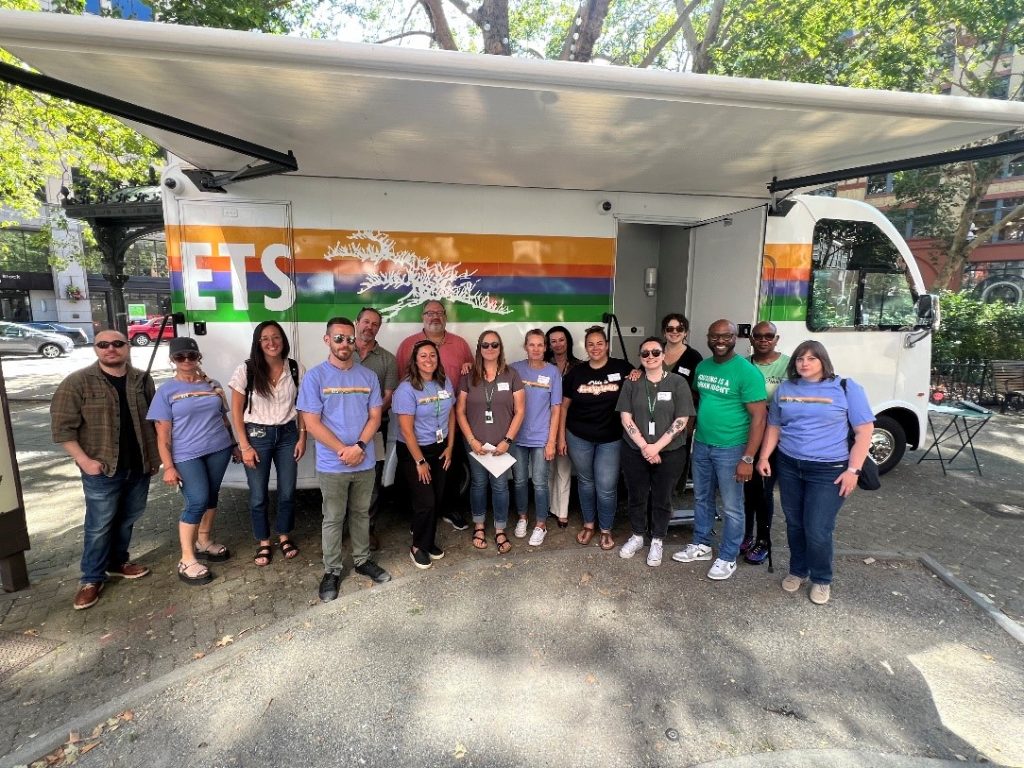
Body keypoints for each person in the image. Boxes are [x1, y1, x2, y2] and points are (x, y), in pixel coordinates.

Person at [757, 340, 874, 605]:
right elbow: (774, 426)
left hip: (829, 470)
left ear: (823, 361)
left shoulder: (845, 387)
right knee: (795, 523)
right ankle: (798, 570)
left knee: (818, 527)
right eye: (800, 359)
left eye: (811, 358)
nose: (804, 363)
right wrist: (764, 457)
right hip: (789, 465)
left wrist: (853, 470)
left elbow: (864, 431)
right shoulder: (786, 388)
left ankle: (821, 578)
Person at [51, 330, 159, 610]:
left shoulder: (142, 380)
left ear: (127, 347)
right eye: (103, 344)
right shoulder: (77, 382)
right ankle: (90, 579)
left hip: (138, 466)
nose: (111, 349)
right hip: (102, 469)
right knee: (99, 525)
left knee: (128, 517)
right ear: (95, 348)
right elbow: (62, 429)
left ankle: (117, 563)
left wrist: (156, 458)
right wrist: (84, 461)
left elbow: (154, 420)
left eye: (117, 344)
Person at [298, 317, 392, 601]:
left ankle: (363, 561)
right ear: (327, 340)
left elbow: (375, 416)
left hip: (364, 460)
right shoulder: (315, 377)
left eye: (349, 339)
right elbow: (311, 423)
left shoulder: (367, 377)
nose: (345, 344)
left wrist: (359, 446)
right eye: (338, 338)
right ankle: (333, 570)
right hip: (333, 463)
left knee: (361, 514)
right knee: (333, 518)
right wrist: (344, 449)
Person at [672, 320, 766, 581]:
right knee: (701, 498)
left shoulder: (747, 372)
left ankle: (727, 555)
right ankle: (701, 544)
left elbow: (759, 418)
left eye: (726, 336)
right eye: (715, 336)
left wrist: (748, 457)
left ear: (735, 338)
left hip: (732, 448)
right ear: (708, 337)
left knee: (733, 506)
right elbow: (697, 401)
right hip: (702, 444)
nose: (720, 340)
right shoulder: (702, 367)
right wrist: (688, 433)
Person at [148, 337, 241, 586]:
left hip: (219, 449)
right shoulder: (166, 392)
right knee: (196, 500)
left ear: (198, 357)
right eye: (180, 357)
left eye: (191, 355)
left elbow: (223, 419)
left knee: (211, 496)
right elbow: (162, 436)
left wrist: (233, 445)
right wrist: (168, 466)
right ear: (172, 360)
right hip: (187, 455)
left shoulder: (213, 384)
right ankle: (187, 559)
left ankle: (204, 541)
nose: (186, 360)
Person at [228, 321, 306, 568]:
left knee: (287, 491)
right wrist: (244, 446)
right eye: (265, 339)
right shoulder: (247, 370)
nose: (271, 343)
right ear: (258, 343)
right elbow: (236, 411)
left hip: (287, 436)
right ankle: (263, 541)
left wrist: (302, 436)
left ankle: (284, 536)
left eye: (276, 337)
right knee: (258, 495)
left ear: (283, 340)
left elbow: (303, 406)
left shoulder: (295, 368)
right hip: (256, 437)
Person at [396, 299, 474, 531]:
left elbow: (470, 373)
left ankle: (448, 510)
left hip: (452, 422)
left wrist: (469, 366)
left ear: (445, 317)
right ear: (422, 316)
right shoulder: (407, 345)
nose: (435, 317)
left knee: (450, 473)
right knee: (420, 480)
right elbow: (404, 379)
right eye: (429, 313)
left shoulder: (460, 344)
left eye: (439, 313)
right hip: (419, 429)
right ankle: (421, 518)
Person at [616, 337, 695, 566]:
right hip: (635, 449)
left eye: (655, 352)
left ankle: (658, 539)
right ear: (640, 358)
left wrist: (656, 448)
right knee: (636, 494)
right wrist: (644, 446)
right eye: (645, 353)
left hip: (670, 451)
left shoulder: (678, 382)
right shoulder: (632, 382)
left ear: (663, 355)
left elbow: (683, 419)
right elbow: (625, 416)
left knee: (663, 497)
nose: (650, 357)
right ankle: (638, 535)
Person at [560, 325, 634, 551]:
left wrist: (637, 373)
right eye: (590, 344)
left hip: (611, 438)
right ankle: (589, 524)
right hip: (579, 436)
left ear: (607, 345)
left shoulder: (622, 368)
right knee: (586, 481)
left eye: (599, 343)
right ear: (586, 346)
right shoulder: (577, 372)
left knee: (606, 486)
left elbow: (638, 382)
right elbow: (563, 407)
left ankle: (605, 529)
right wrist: (561, 437)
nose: (595, 348)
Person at [456, 330, 525, 554]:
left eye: (494, 345)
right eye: (485, 345)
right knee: (478, 483)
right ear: (479, 348)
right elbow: (460, 411)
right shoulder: (469, 376)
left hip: (502, 443)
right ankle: (478, 525)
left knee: (500, 485)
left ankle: (500, 529)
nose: (490, 349)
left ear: (500, 348)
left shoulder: (511, 375)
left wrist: (507, 440)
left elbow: (520, 411)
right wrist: (471, 440)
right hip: (475, 442)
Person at [392, 339, 456, 569]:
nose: (429, 360)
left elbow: (451, 413)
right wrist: (419, 460)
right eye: (423, 356)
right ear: (415, 360)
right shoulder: (406, 389)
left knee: (436, 498)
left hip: (440, 448)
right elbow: (406, 431)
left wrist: (450, 446)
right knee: (425, 500)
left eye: (433, 355)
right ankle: (418, 546)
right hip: (415, 451)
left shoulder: (444, 382)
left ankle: (427, 540)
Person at [741, 321, 790, 565]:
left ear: (776, 339)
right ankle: (746, 535)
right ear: (751, 339)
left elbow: (793, 401)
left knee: (763, 491)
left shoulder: (789, 365)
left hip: (772, 440)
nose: (763, 340)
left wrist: (763, 408)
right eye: (758, 336)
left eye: (768, 336)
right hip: (747, 436)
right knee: (746, 490)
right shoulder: (744, 364)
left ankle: (763, 540)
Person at [510, 329, 562, 546]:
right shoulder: (515, 369)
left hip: (541, 438)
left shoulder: (553, 373)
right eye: (532, 345)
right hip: (517, 437)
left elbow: (556, 408)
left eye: (540, 345)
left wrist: (552, 441)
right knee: (520, 481)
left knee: (540, 483)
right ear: (525, 347)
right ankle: (522, 517)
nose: (536, 349)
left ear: (545, 347)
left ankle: (541, 524)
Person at [354, 307, 399, 550]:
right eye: (366, 322)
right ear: (357, 323)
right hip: (341, 431)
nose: (369, 327)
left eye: (375, 324)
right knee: (342, 479)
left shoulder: (387, 360)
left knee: (372, 480)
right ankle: (343, 526)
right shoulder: (341, 353)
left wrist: (368, 422)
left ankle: (368, 529)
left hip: (376, 429)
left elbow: (389, 397)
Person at [545, 325, 579, 528]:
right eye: (553, 341)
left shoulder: (578, 366)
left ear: (568, 342)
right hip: (545, 423)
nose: (557, 344)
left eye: (561, 340)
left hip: (568, 423)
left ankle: (562, 511)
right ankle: (549, 507)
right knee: (547, 469)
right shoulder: (543, 365)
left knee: (564, 469)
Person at [659, 313, 703, 390]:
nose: (675, 332)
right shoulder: (654, 350)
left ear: (685, 333)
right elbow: (643, 372)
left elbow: (697, 387)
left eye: (679, 329)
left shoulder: (694, 357)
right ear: (664, 332)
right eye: (670, 329)